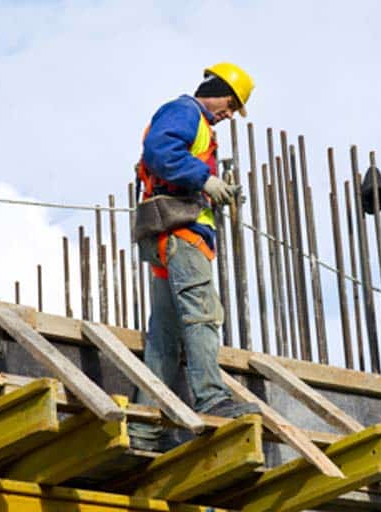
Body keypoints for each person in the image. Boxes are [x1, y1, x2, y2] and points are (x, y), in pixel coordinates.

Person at [128, 62, 259, 452]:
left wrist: (216, 190)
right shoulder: (186, 112)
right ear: (216, 90)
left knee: (165, 339)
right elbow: (160, 151)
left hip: (169, 237)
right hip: (183, 236)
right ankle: (212, 398)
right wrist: (205, 180)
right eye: (231, 104)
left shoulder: (198, 127)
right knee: (203, 315)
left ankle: (145, 428)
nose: (230, 114)